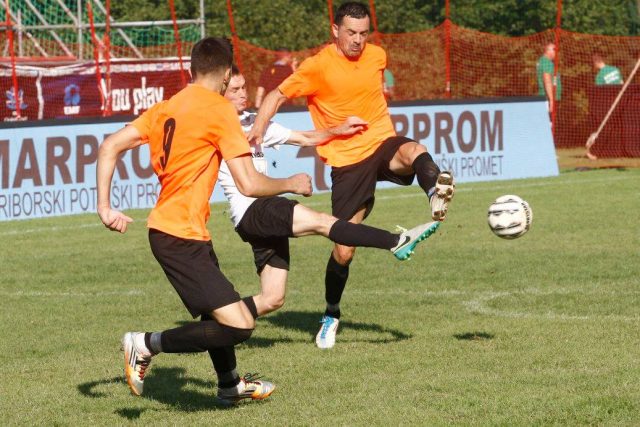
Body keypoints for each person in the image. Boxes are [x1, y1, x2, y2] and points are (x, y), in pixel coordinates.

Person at [96, 37, 313, 405]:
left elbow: (108, 147)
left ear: (191, 70)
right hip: (177, 235)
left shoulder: (167, 107)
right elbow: (248, 182)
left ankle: (229, 384)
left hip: (182, 231)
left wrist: (105, 207)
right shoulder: (218, 110)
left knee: (219, 311)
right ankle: (146, 344)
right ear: (227, 75)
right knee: (240, 324)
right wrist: (290, 182)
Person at [248, 2, 455, 349]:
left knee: (413, 150)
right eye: (351, 33)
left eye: (363, 33)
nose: (358, 40)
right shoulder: (317, 67)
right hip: (346, 164)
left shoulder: (377, 55)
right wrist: (258, 128)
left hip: (381, 144)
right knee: (344, 250)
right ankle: (331, 313)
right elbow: (276, 95)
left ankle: (434, 191)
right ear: (335, 30)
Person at [221, 66, 441, 317]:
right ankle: (396, 241)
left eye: (244, 87)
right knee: (324, 222)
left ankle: (216, 318)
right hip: (253, 209)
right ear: (220, 93)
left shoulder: (253, 122)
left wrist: (337, 130)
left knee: (273, 299)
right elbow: (248, 184)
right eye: (235, 90)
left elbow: (304, 138)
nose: (243, 94)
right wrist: (290, 184)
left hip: (264, 214)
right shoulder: (218, 127)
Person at [536, 43, 562, 115]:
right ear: (548, 51)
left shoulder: (546, 62)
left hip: (550, 98)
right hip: (548, 99)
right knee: (549, 123)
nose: (556, 53)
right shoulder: (546, 62)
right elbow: (547, 81)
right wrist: (551, 100)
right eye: (555, 50)